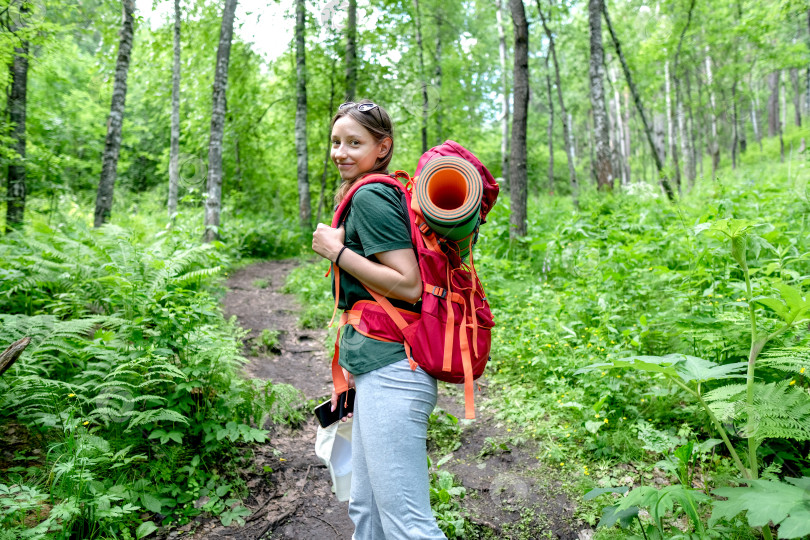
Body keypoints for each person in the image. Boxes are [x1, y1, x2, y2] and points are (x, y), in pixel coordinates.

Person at [311, 100, 447, 539]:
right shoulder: (369, 192)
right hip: (379, 369)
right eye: (336, 142)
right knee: (367, 512)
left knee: (408, 525)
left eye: (355, 143)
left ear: (382, 147)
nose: (341, 152)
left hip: (395, 373)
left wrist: (337, 252)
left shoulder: (370, 196)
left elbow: (408, 285)